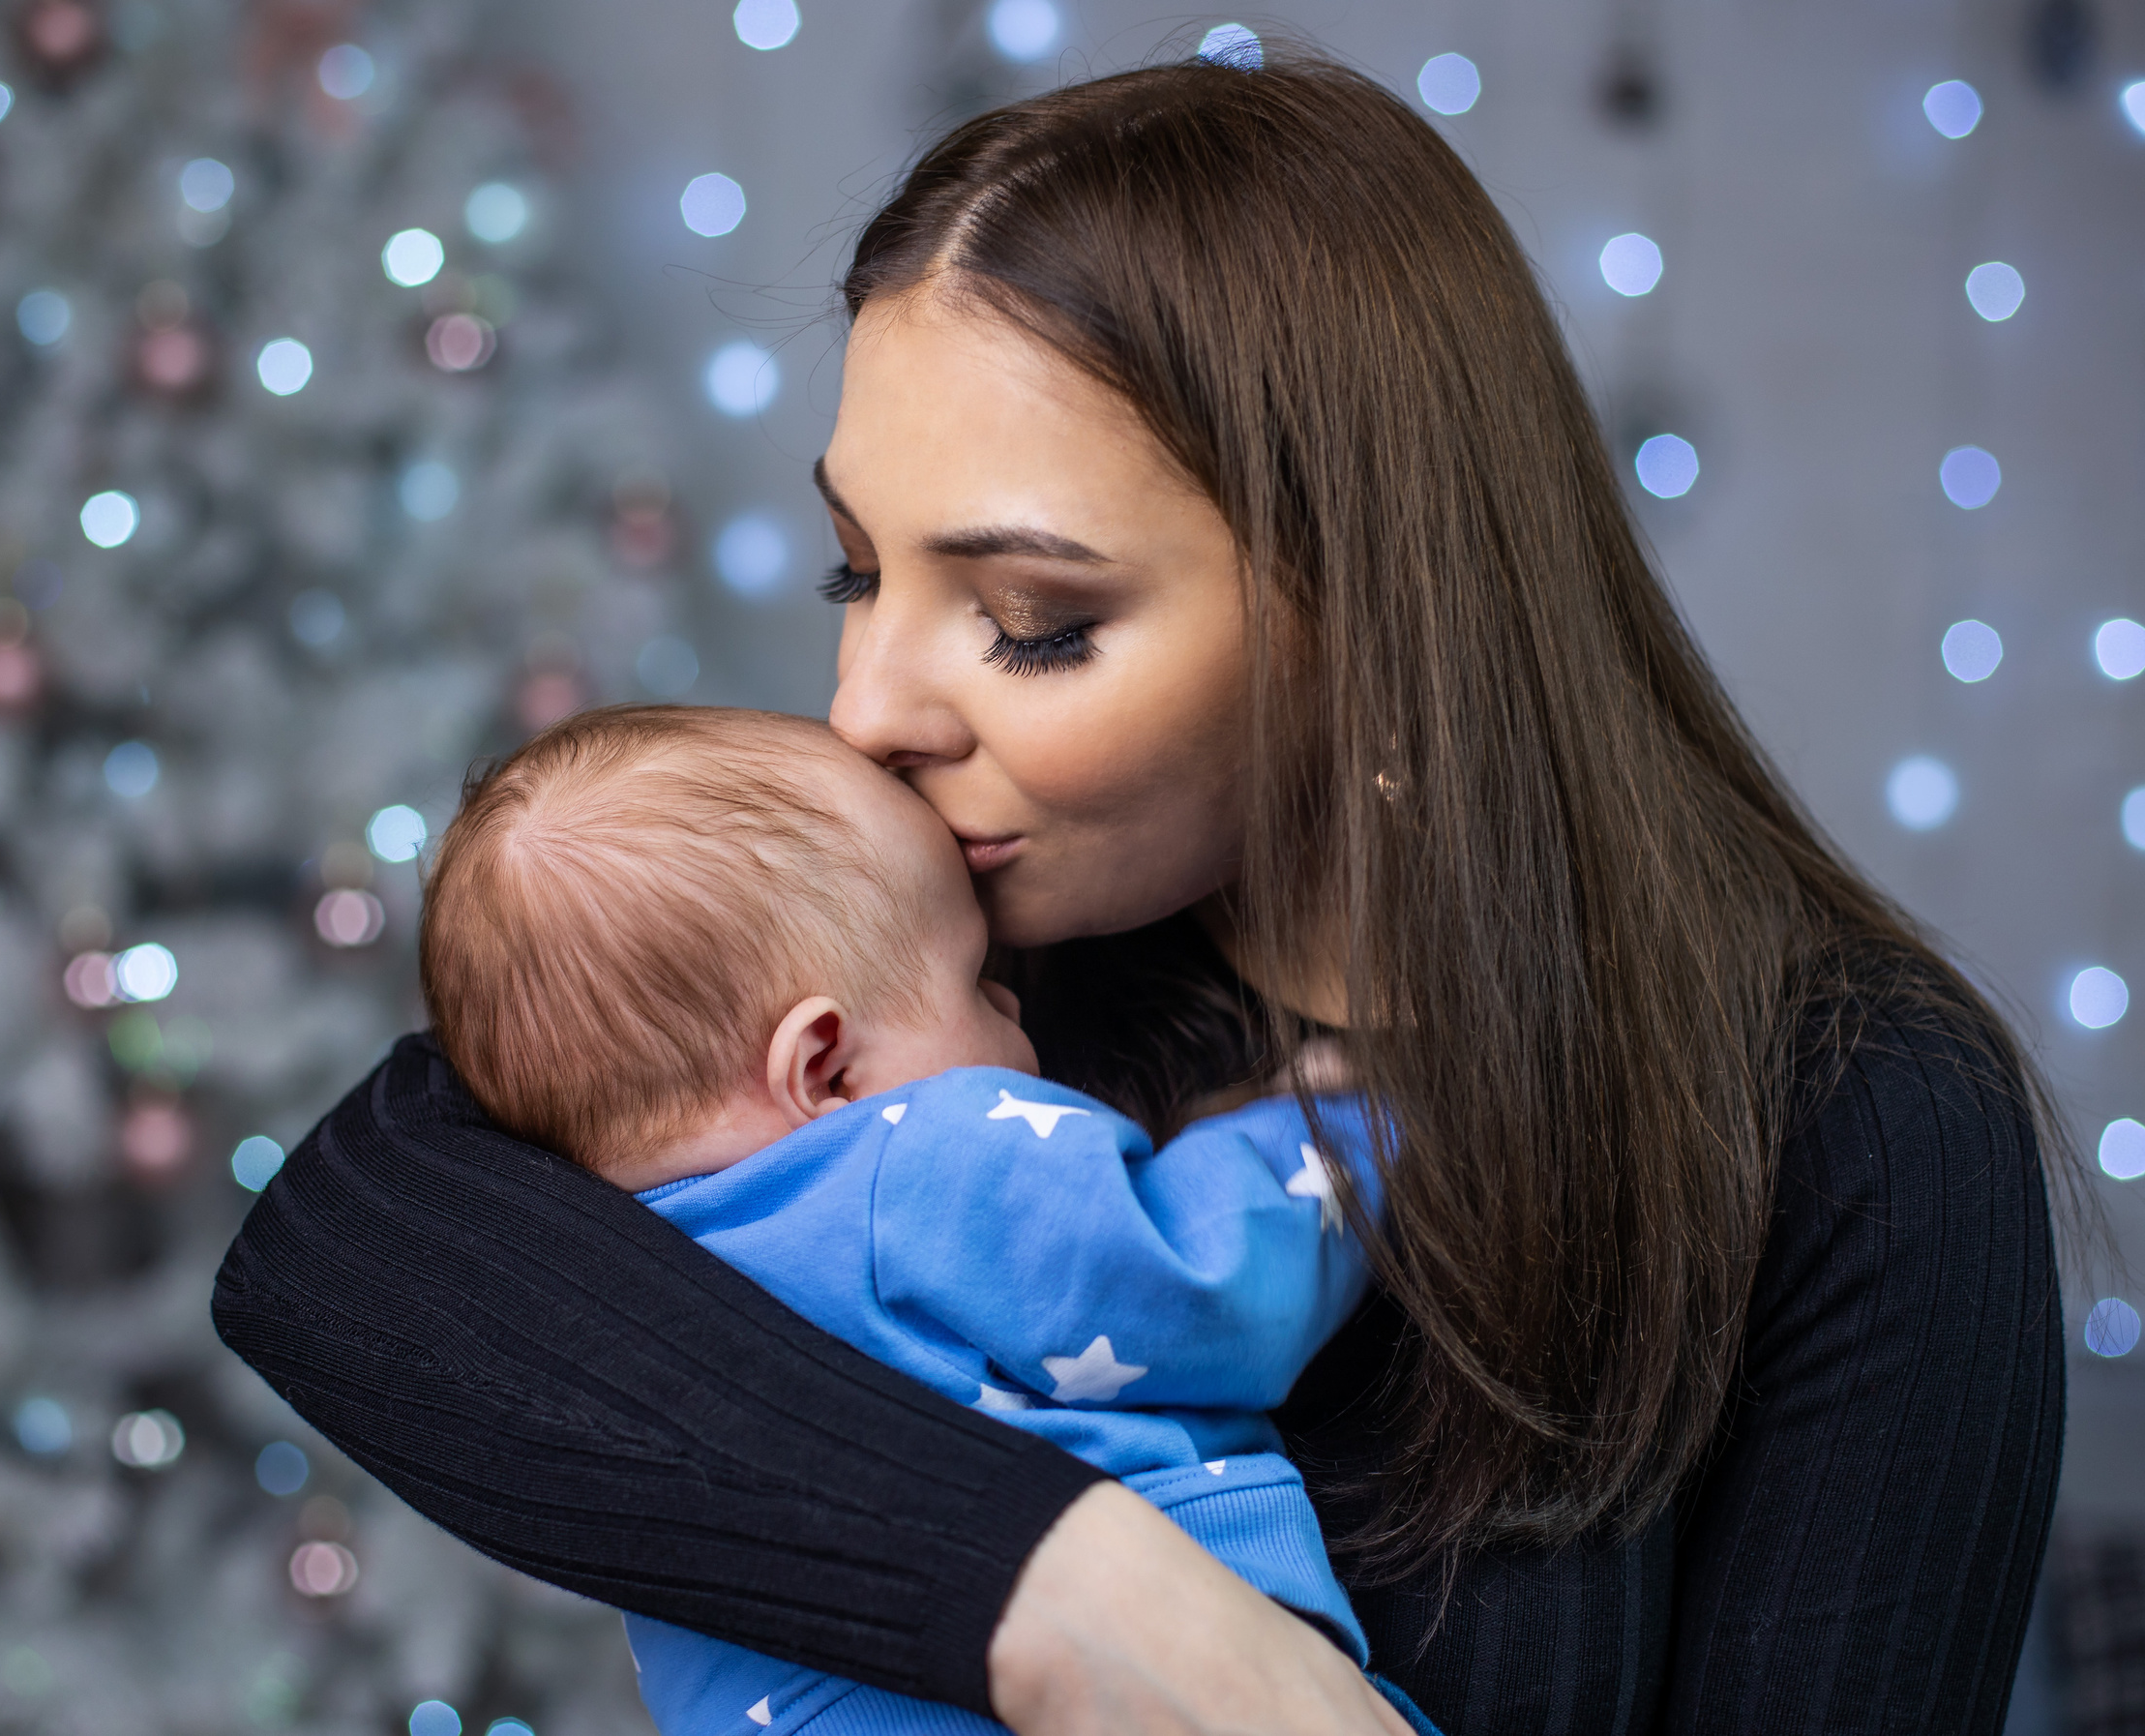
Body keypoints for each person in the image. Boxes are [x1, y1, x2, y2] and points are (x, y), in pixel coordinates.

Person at [215, 49, 2065, 1736]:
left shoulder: (1857, 1120)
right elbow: (341, 1240)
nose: (864, 714)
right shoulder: (945, 965)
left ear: (1367, 618)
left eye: (1031, 621)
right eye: (856, 573)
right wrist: (1073, 1596)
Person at [413, 703, 1405, 1736]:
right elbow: (1197, 1285)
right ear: (824, 1067)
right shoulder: (916, 1164)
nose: (1014, 1011)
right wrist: (1348, 1124)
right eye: (975, 980)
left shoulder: (606, 1262)